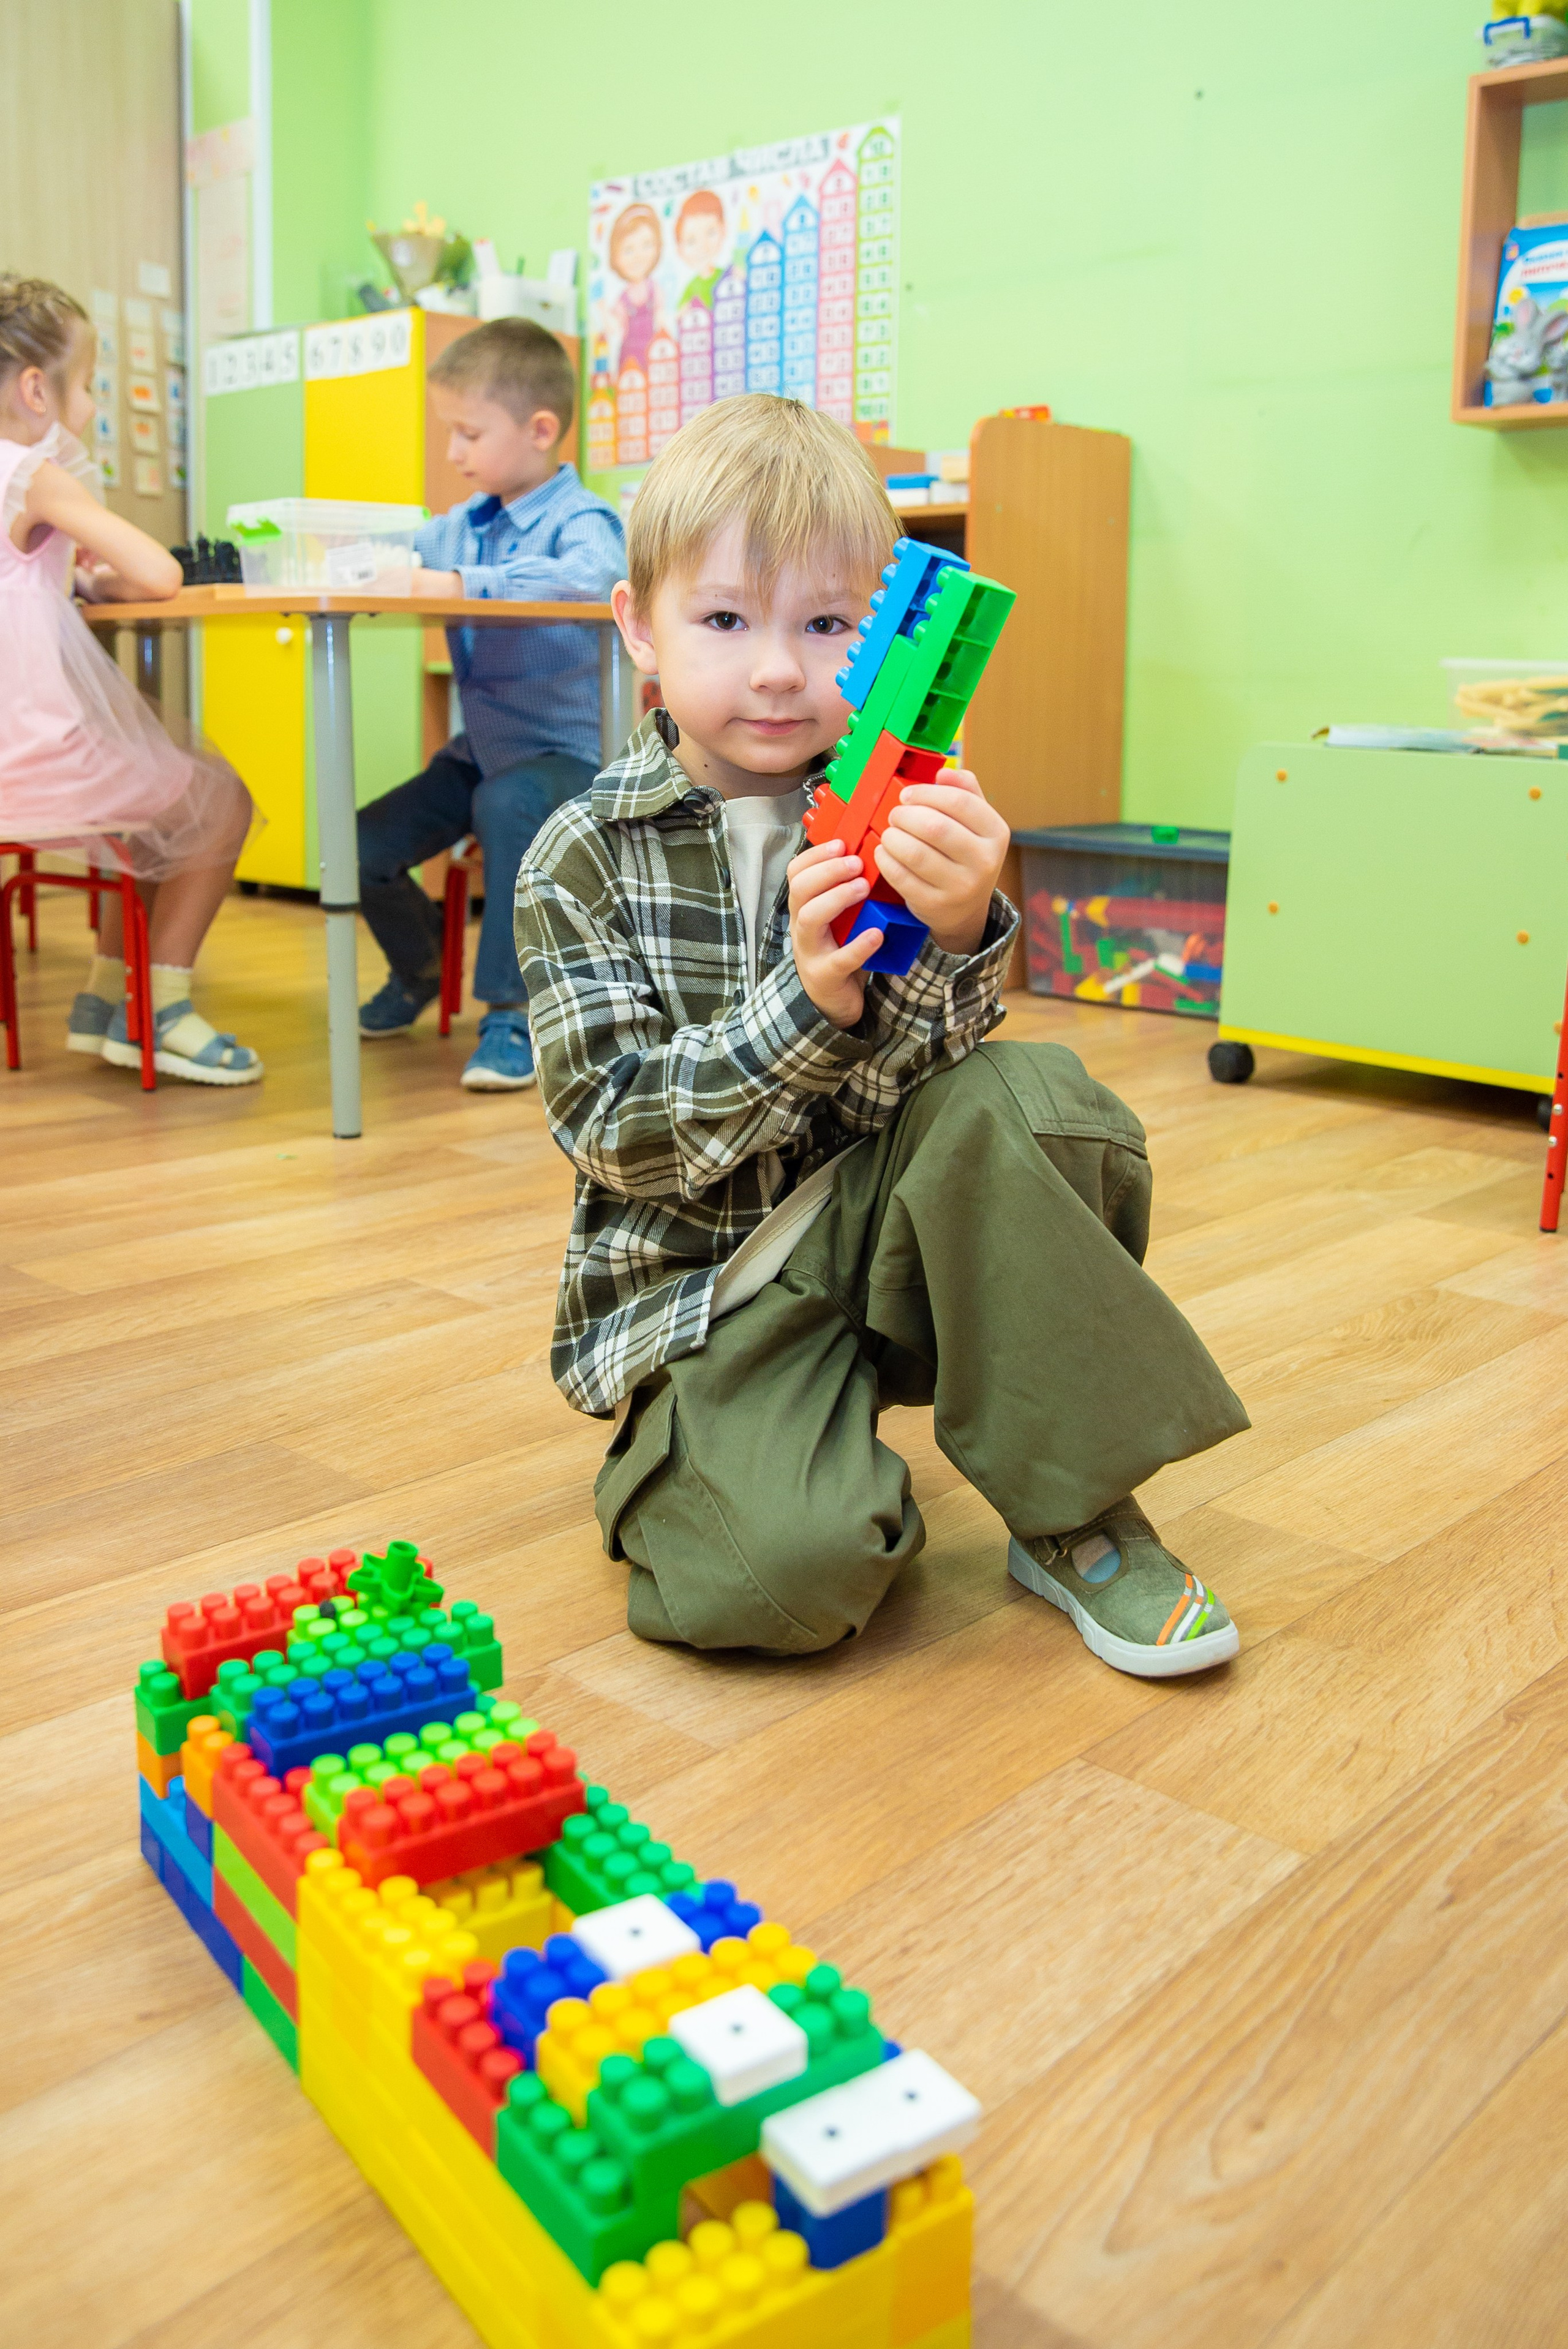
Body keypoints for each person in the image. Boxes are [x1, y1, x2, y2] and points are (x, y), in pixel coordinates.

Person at [516, 393, 1250, 1668]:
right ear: (638, 626)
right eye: (725, 618)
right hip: (710, 1298)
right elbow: (612, 1135)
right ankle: (709, 1454)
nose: (776, 669)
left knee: (1029, 1099)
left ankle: (1069, 1499)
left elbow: (946, 1105)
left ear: (884, 629)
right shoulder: (577, 857)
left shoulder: (901, 801)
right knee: (782, 1582)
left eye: (826, 623)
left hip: (882, 1239)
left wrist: (960, 929)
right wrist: (801, 1008)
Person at [0, 275, 261, 1084]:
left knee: (156, 793)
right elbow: (153, 571)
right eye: (90, 380)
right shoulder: (34, 474)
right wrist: (104, 575)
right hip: (33, 749)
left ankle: (105, 998)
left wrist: (75, 578)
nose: (95, 397)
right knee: (220, 800)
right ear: (38, 388)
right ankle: (162, 1009)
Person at [355, 319, 624, 1090]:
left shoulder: (585, 520)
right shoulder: (462, 527)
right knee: (362, 845)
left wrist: (464, 586)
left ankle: (511, 1013)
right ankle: (416, 972)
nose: (453, 453)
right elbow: (399, 549)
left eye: (468, 433)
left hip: (569, 760)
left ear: (540, 430)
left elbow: (593, 576)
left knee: (507, 805)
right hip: (484, 756)